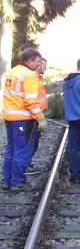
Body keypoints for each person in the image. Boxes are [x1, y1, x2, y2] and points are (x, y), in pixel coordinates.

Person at [1, 48, 47, 191]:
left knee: (10, 150)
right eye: (38, 62)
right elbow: (31, 101)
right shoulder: (29, 76)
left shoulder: (12, 73)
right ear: (30, 61)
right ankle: (17, 182)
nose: (39, 65)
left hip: (10, 119)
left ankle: (6, 181)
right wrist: (40, 119)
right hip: (23, 120)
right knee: (22, 151)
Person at [30, 58, 48, 164]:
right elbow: (31, 100)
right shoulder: (32, 79)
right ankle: (24, 163)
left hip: (37, 114)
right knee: (31, 142)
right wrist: (39, 117)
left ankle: (26, 162)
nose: (46, 68)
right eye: (45, 65)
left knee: (34, 142)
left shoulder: (38, 78)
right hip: (33, 117)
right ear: (39, 65)